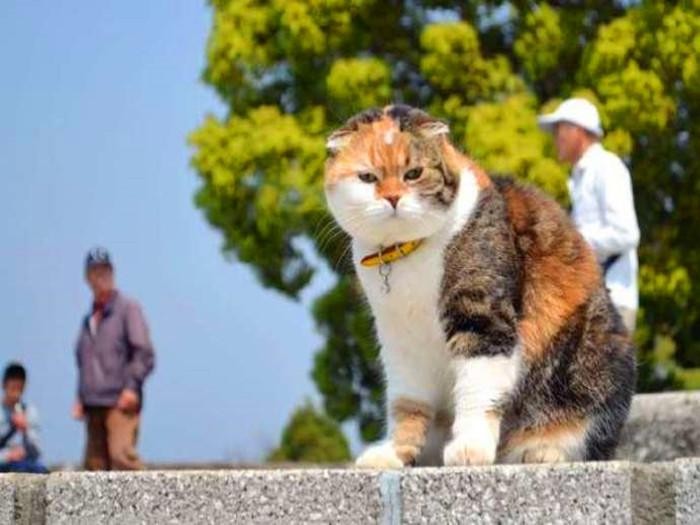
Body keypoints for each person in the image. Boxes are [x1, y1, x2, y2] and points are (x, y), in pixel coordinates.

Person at [538, 98, 640, 333]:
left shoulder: (607, 167)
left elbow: (626, 234)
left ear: (578, 131)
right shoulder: (581, 175)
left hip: (612, 302)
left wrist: (572, 241)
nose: (556, 138)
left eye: (559, 129)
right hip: (595, 301)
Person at [73, 247, 155, 470]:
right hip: (93, 404)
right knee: (94, 470)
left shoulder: (127, 309)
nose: (101, 277)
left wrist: (131, 387)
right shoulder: (89, 318)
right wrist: (81, 396)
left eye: (105, 271)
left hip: (119, 402)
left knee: (122, 459)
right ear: (87, 277)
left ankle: (151, 503)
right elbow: (84, 360)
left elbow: (144, 353)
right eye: (95, 272)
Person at [0, 362, 48, 473]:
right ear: (4, 385)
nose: (16, 393)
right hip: (4, 464)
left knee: (41, 471)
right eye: (13, 388)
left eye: (19, 389)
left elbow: (37, 452)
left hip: (24, 464)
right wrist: (8, 456)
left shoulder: (30, 411)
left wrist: (26, 429)